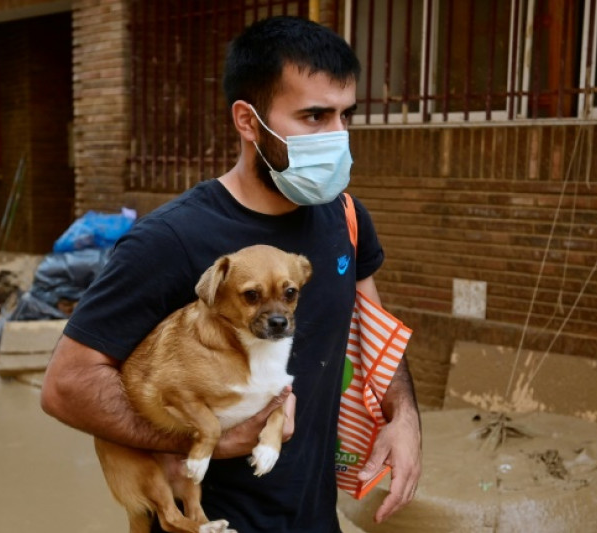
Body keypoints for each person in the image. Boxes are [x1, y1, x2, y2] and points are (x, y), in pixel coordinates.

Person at [41, 16, 422, 532]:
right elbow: (67, 385)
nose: (337, 137)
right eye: (313, 116)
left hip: (314, 518)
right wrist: (202, 436)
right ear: (248, 121)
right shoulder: (169, 240)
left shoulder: (346, 217)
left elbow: (369, 325)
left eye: (344, 115)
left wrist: (404, 418)